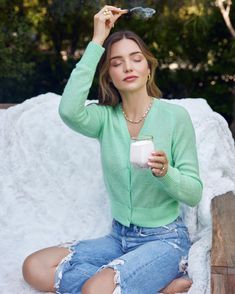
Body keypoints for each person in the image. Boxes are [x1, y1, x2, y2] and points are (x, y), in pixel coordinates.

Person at [22, 5, 203, 294]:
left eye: (136, 59)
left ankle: (124, 280)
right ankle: (151, 286)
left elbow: (194, 192)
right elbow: (68, 110)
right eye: (117, 62)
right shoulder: (104, 119)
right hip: (118, 237)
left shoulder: (175, 117)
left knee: (94, 290)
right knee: (34, 267)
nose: (128, 67)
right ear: (109, 75)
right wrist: (97, 41)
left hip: (164, 239)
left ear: (148, 67)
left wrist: (166, 173)